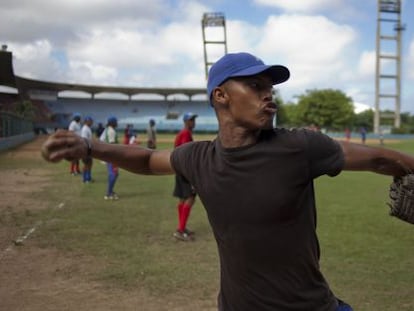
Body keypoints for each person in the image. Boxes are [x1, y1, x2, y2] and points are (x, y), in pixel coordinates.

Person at [41, 52, 414, 311]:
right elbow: (146, 159)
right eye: (254, 85)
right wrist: (91, 146)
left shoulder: (299, 146)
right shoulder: (199, 158)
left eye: (271, 87)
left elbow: (381, 157)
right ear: (221, 96)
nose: (268, 94)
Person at [172, 112, 198, 241]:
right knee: (190, 198)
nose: (194, 122)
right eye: (191, 120)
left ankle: (181, 227)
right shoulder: (186, 134)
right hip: (185, 171)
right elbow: (185, 155)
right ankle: (180, 230)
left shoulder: (183, 133)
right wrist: (190, 175)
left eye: (194, 119)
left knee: (183, 199)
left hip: (179, 170)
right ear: (186, 121)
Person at [100, 116, 120, 200]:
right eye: (116, 122)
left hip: (108, 156)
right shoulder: (111, 131)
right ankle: (109, 193)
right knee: (114, 174)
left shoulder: (106, 130)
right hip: (112, 156)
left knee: (113, 174)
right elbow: (112, 145)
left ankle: (110, 191)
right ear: (112, 123)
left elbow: (101, 140)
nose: (117, 123)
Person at [80, 116, 94, 183]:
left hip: (89, 149)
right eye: (90, 121)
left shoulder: (88, 128)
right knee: (86, 164)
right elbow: (84, 140)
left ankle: (88, 177)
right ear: (86, 121)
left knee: (90, 163)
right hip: (86, 149)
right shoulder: (85, 129)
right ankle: (84, 178)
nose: (92, 122)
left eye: (91, 121)